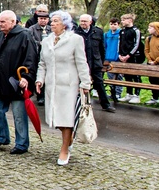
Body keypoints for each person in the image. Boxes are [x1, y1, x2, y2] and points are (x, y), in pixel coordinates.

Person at [35, 11, 91, 166]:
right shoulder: (46, 41)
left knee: (66, 118)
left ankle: (64, 149)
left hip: (68, 86)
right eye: (51, 21)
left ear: (64, 23)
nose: (52, 23)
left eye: (56, 21)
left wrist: (85, 83)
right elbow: (42, 63)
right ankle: (69, 139)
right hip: (51, 85)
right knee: (56, 118)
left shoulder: (75, 40)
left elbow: (82, 62)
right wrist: (40, 80)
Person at [0, 10, 37, 153]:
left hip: (17, 82)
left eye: (3, 22)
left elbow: (31, 59)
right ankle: (2, 136)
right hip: (0, 81)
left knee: (19, 114)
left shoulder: (25, 36)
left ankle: (21, 143)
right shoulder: (0, 36)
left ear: (13, 22)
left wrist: (27, 78)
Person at [75, 14, 114, 112]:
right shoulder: (75, 33)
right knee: (80, 84)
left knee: (99, 84)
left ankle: (106, 105)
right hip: (82, 63)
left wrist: (100, 61)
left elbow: (102, 49)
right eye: (81, 21)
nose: (83, 23)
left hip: (95, 62)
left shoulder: (98, 32)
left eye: (85, 21)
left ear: (90, 22)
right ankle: (80, 105)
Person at [117, 13, 144, 103]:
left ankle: (137, 95)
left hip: (133, 57)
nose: (122, 22)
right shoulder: (122, 31)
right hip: (123, 56)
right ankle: (129, 93)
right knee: (127, 75)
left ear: (130, 20)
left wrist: (129, 55)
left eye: (124, 20)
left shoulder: (136, 31)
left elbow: (136, 44)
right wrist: (120, 54)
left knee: (135, 76)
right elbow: (119, 43)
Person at [29, 13, 51, 106]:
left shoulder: (50, 29)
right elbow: (30, 40)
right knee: (38, 75)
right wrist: (39, 43)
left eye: (45, 19)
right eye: (41, 18)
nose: (43, 20)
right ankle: (39, 96)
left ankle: (47, 95)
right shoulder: (32, 29)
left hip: (48, 55)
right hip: (36, 55)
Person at [103, 18, 122, 102]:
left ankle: (118, 93)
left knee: (118, 77)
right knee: (110, 76)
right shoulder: (107, 34)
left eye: (115, 24)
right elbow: (104, 46)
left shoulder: (120, 34)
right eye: (111, 24)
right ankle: (112, 92)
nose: (113, 26)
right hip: (108, 58)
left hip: (117, 58)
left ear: (118, 25)